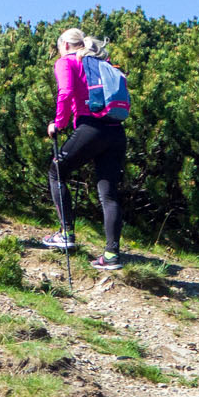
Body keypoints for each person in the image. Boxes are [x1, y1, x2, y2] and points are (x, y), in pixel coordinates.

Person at [45, 27, 127, 271]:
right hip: (116, 130)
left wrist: (58, 124)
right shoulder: (104, 64)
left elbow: (66, 92)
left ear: (66, 45)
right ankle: (111, 256)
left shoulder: (66, 62)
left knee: (56, 171)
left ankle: (66, 234)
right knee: (109, 194)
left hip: (91, 127)